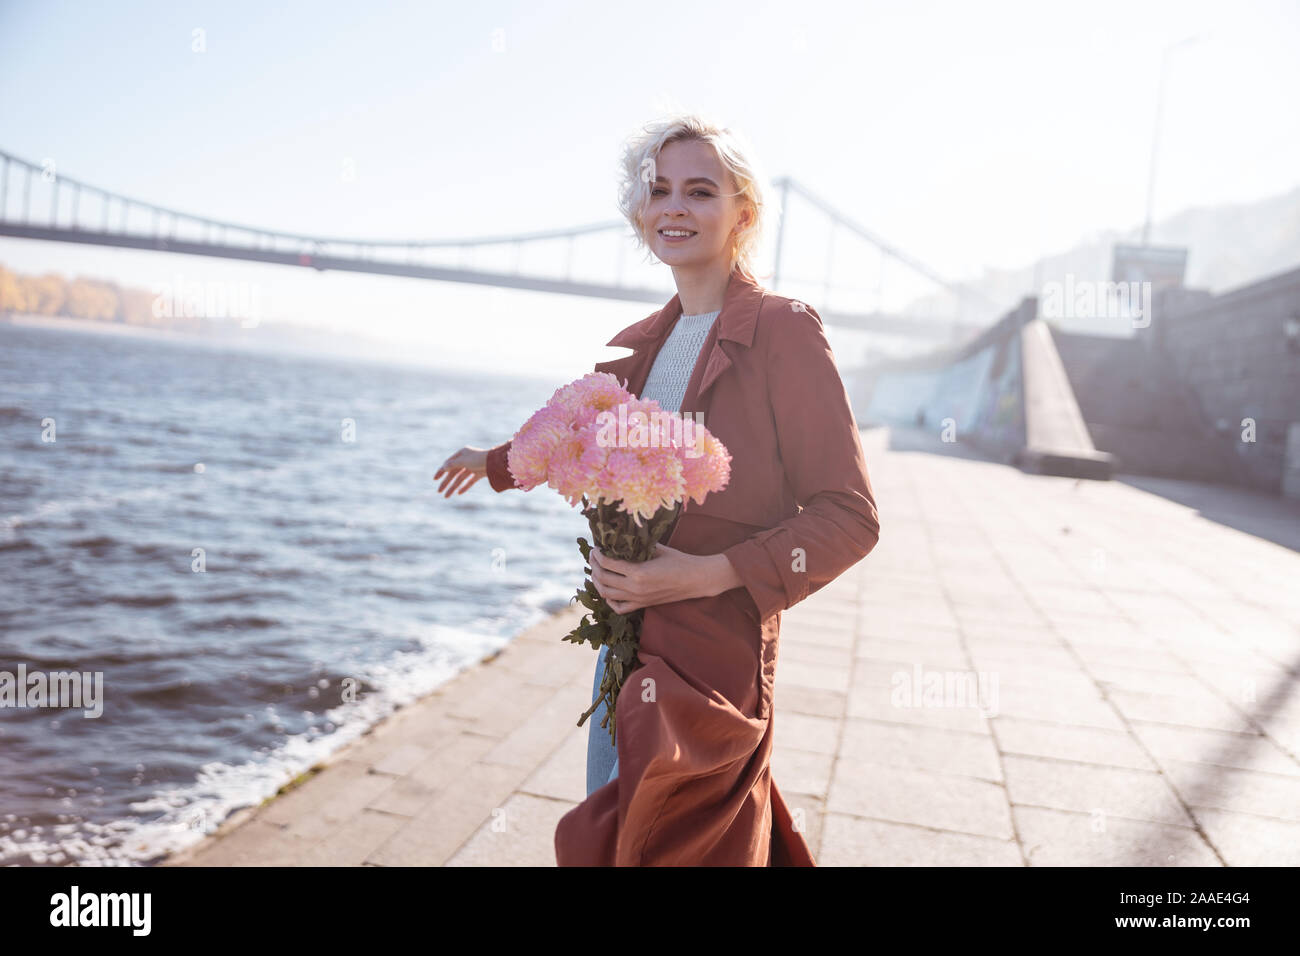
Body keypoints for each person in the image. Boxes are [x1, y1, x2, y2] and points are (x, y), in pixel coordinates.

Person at [434, 113, 880, 866]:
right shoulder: (644, 344)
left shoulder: (785, 331)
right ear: (640, 212)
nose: (674, 206)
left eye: (700, 191)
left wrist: (706, 574)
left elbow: (851, 518)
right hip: (623, 651)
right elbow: (580, 432)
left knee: (664, 848)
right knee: (624, 843)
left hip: (711, 662)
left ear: (743, 211)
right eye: (659, 190)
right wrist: (497, 461)